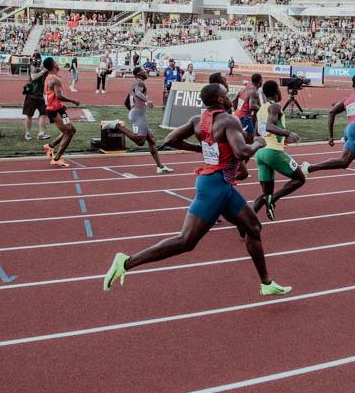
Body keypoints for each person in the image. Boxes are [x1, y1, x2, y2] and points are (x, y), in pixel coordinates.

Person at [101, 83, 291, 296]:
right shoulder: (229, 120)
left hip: (221, 185)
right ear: (219, 100)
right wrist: (258, 142)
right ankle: (126, 261)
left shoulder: (197, 120)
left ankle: (266, 283)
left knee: (253, 228)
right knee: (186, 241)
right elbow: (241, 151)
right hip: (214, 187)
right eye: (225, 95)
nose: (229, 97)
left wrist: (199, 147)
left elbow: (170, 140)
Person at [251, 80, 306, 221]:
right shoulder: (275, 106)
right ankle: (274, 199)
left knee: (265, 194)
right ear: (276, 92)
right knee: (300, 178)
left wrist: (283, 139)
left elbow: (258, 133)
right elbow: (269, 127)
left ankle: (244, 223)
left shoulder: (261, 109)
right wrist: (288, 134)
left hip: (260, 153)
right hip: (273, 152)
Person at [104, 66, 174, 174]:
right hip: (138, 114)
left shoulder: (133, 84)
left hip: (136, 113)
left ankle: (160, 166)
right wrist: (147, 100)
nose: (147, 72)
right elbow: (137, 93)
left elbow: (126, 102)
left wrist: (132, 112)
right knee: (140, 141)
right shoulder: (140, 83)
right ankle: (117, 126)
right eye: (144, 71)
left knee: (151, 140)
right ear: (139, 73)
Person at [41, 57, 80, 167]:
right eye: (55, 62)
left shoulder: (50, 77)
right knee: (68, 132)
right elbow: (58, 96)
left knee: (72, 130)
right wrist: (73, 101)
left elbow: (53, 96)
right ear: (53, 65)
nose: (57, 64)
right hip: (54, 110)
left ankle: (51, 145)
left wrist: (62, 105)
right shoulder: (54, 79)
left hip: (59, 109)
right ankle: (57, 158)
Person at [22, 52, 50, 140]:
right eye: (35, 58)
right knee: (29, 115)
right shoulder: (32, 67)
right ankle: (27, 133)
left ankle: (41, 133)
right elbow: (33, 77)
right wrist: (43, 71)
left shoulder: (41, 67)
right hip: (31, 95)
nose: (37, 60)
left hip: (40, 95)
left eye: (38, 58)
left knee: (43, 114)